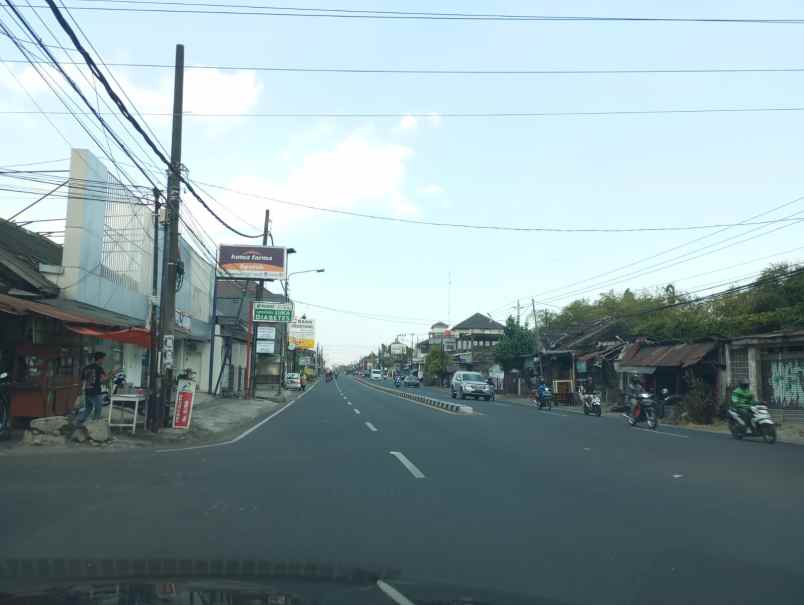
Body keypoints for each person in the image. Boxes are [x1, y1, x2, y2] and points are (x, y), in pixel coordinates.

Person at [77, 352, 108, 424]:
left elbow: (82, 380)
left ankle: (78, 422)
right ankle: (94, 425)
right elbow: (103, 380)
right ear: (100, 359)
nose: (104, 361)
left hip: (87, 391)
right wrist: (113, 373)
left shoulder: (86, 368)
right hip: (96, 392)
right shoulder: (99, 368)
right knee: (98, 409)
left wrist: (81, 390)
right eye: (103, 359)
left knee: (88, 409)